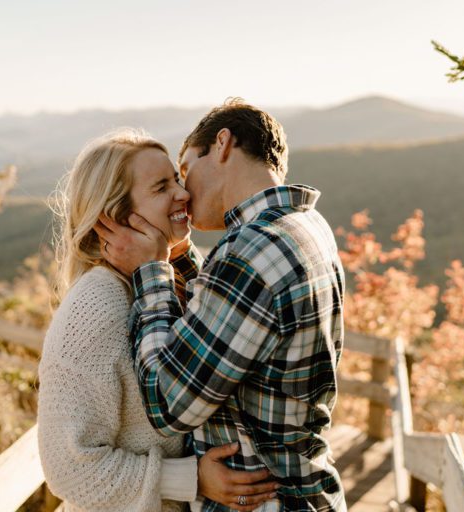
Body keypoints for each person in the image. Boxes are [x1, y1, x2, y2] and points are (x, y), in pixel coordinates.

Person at [95, 99, 347, 512]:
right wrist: (177, 256)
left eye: (185, 170)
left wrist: (150, 269)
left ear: (223, 144)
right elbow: (231, 320)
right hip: (307, 490)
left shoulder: (250, 251)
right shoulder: (304, 226)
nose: (182, 192)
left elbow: (168, 403)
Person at [37, 129, 281, 512]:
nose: (183, 194)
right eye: (161, 187)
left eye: (178, 180)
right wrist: (191, 478)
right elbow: (69, 470)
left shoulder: (159, 282)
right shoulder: (96, 305)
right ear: (116, 217)